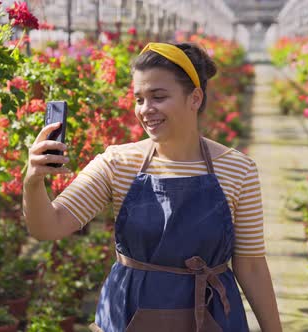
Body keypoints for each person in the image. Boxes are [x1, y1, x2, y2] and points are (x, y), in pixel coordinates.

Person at [23, 42, 282, 332]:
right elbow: (48, 227)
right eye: (139, 99)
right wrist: (33, 181)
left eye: (158, 97)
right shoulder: (118, 163)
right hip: (130, 315)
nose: (146, 110)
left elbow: (251, 266)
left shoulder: (237, 169)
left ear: (195, 98)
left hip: (210, 317)